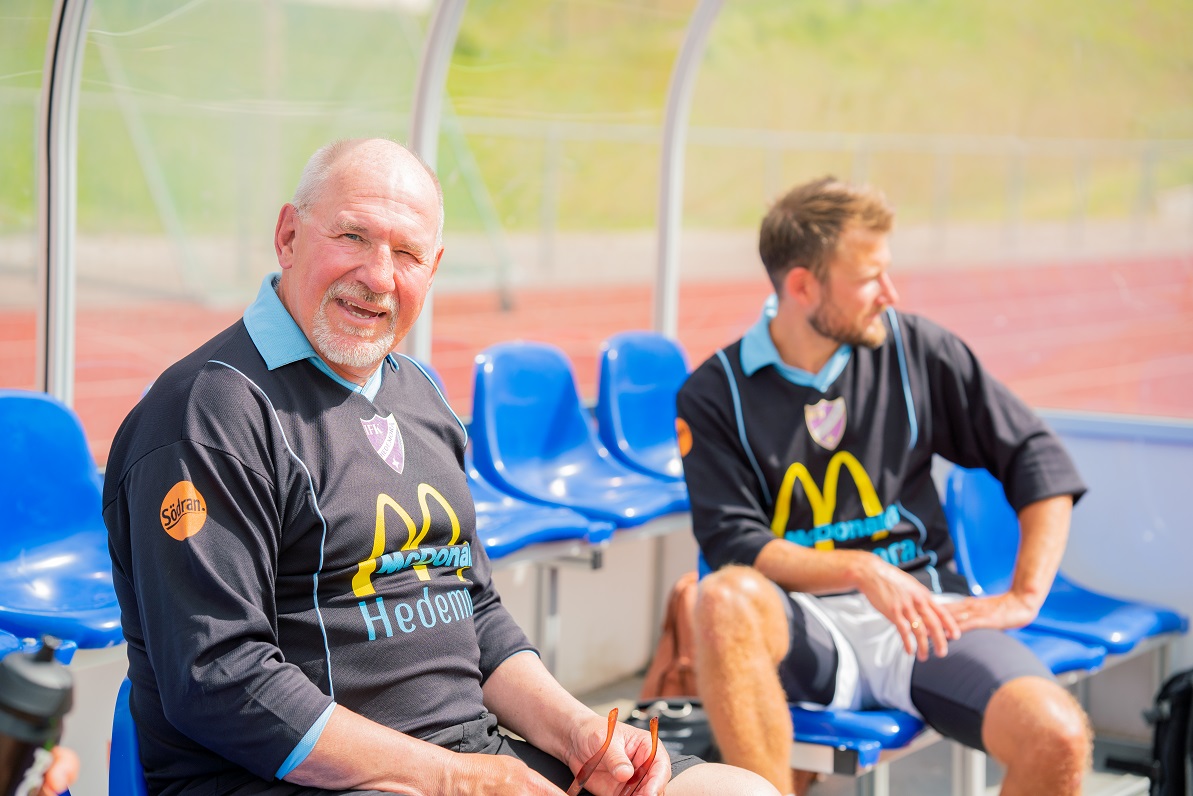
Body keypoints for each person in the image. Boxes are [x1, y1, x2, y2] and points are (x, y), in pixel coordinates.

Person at [103, 138, 776, 796]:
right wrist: (453, 779)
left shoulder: (419, 393)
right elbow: (220, 677)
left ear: (433, 268)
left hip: (465, 759)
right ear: (288, 236)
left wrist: (581, 737)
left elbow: (472, 608)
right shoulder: (208, 413)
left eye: (407, 253)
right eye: (353, 237)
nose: (378, 276)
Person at [676, 176, 1093, 796]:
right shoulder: (714, 393)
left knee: (1057, 736)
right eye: (870, 278)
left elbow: (1036, 454)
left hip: (925, 620)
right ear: (802, 286)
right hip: (805, 629)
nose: (889, 293)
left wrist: (1026, 595)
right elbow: (735, 543)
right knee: (722, 596)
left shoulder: (916, 348)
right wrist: (862, 570)